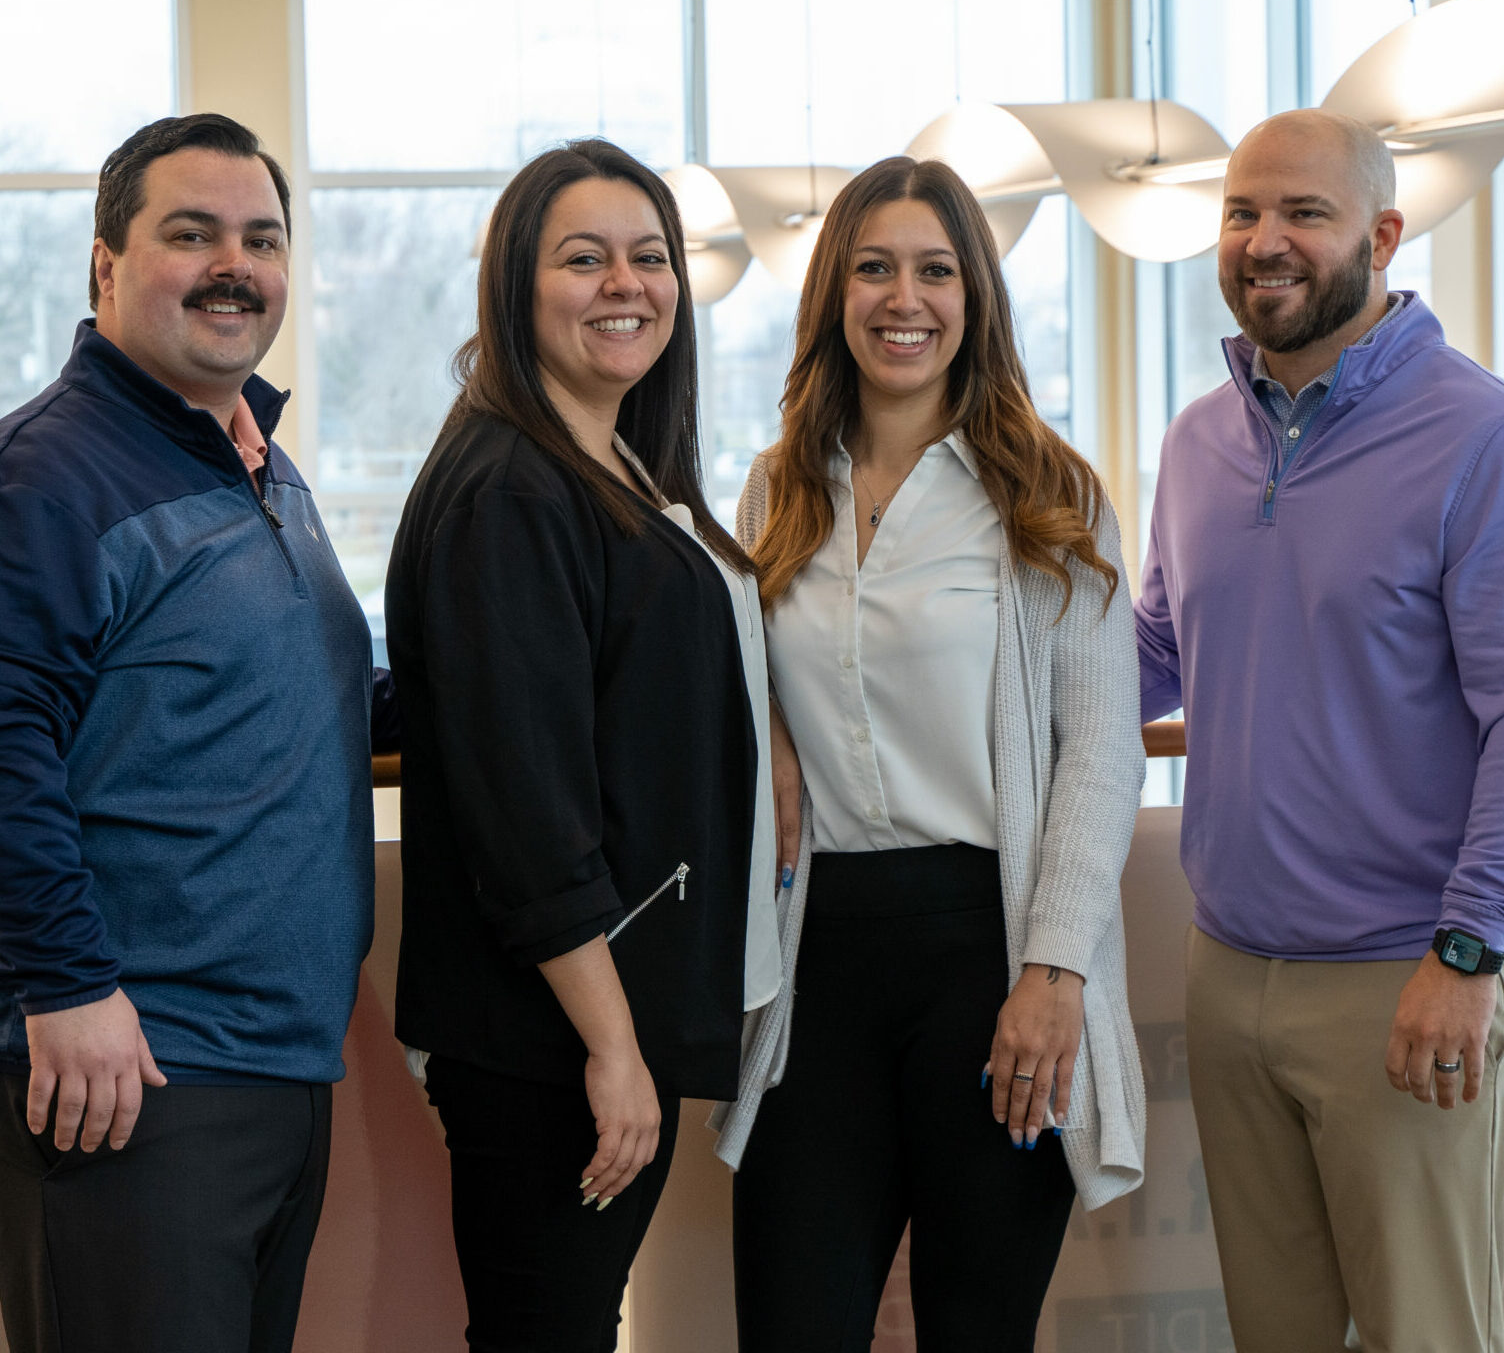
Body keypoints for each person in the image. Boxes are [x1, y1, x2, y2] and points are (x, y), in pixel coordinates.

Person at [713, 155, 1147, 1353]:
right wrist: (783, 743)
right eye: (874, 268)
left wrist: (1053, 974)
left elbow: (1103, 754)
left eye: (935, 271)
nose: (904, 299)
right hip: (820, 966)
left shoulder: (1048, 495)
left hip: (992, 956)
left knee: (976, 1332)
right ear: (834, 296)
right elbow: (749, 690)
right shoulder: (775, 489)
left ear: (975, 299)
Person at [1134, 108, 1504, 1353]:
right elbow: (1154, 650)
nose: (1267, 241)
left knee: (1427, 1336)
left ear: (1379, 234)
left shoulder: (1489, 441)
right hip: (1230, 969)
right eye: (1242, 213)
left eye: (1304, 214)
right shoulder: (1199, 440)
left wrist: (1469, 953)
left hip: (1408, 978)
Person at [384, 137, 781, 1353]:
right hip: (553, 1045)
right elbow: (527, 805)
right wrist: (615, 1047)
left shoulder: (605, 456)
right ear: (517, 286)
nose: (627, 284)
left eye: (650, 257)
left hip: (606, 1023)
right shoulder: (512, 490)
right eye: (584, 258)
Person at [0, 113, 388, 1353]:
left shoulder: (258, 461)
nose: (236, 264)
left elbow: (326, 699)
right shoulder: (51, 477)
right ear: (105, 266)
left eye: (261, 238)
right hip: (128, 1075)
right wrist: (68, 985)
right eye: (192, 233)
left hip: (276, 1069)